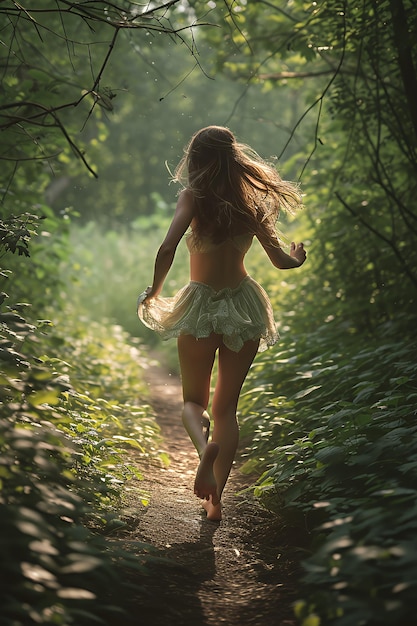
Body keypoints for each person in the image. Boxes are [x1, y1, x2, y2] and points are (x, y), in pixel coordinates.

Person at [138, 126, 306, 521]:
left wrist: (155, 291)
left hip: (200, 305)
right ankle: (215, 501)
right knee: (226, 408)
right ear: (234, 159)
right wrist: (297, 257)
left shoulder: (193, 198)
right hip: (244, 305)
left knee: (193, 402)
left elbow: (167, 247)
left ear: (195, 160)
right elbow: (281, 261)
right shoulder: (251, 205)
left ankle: (203, 450)